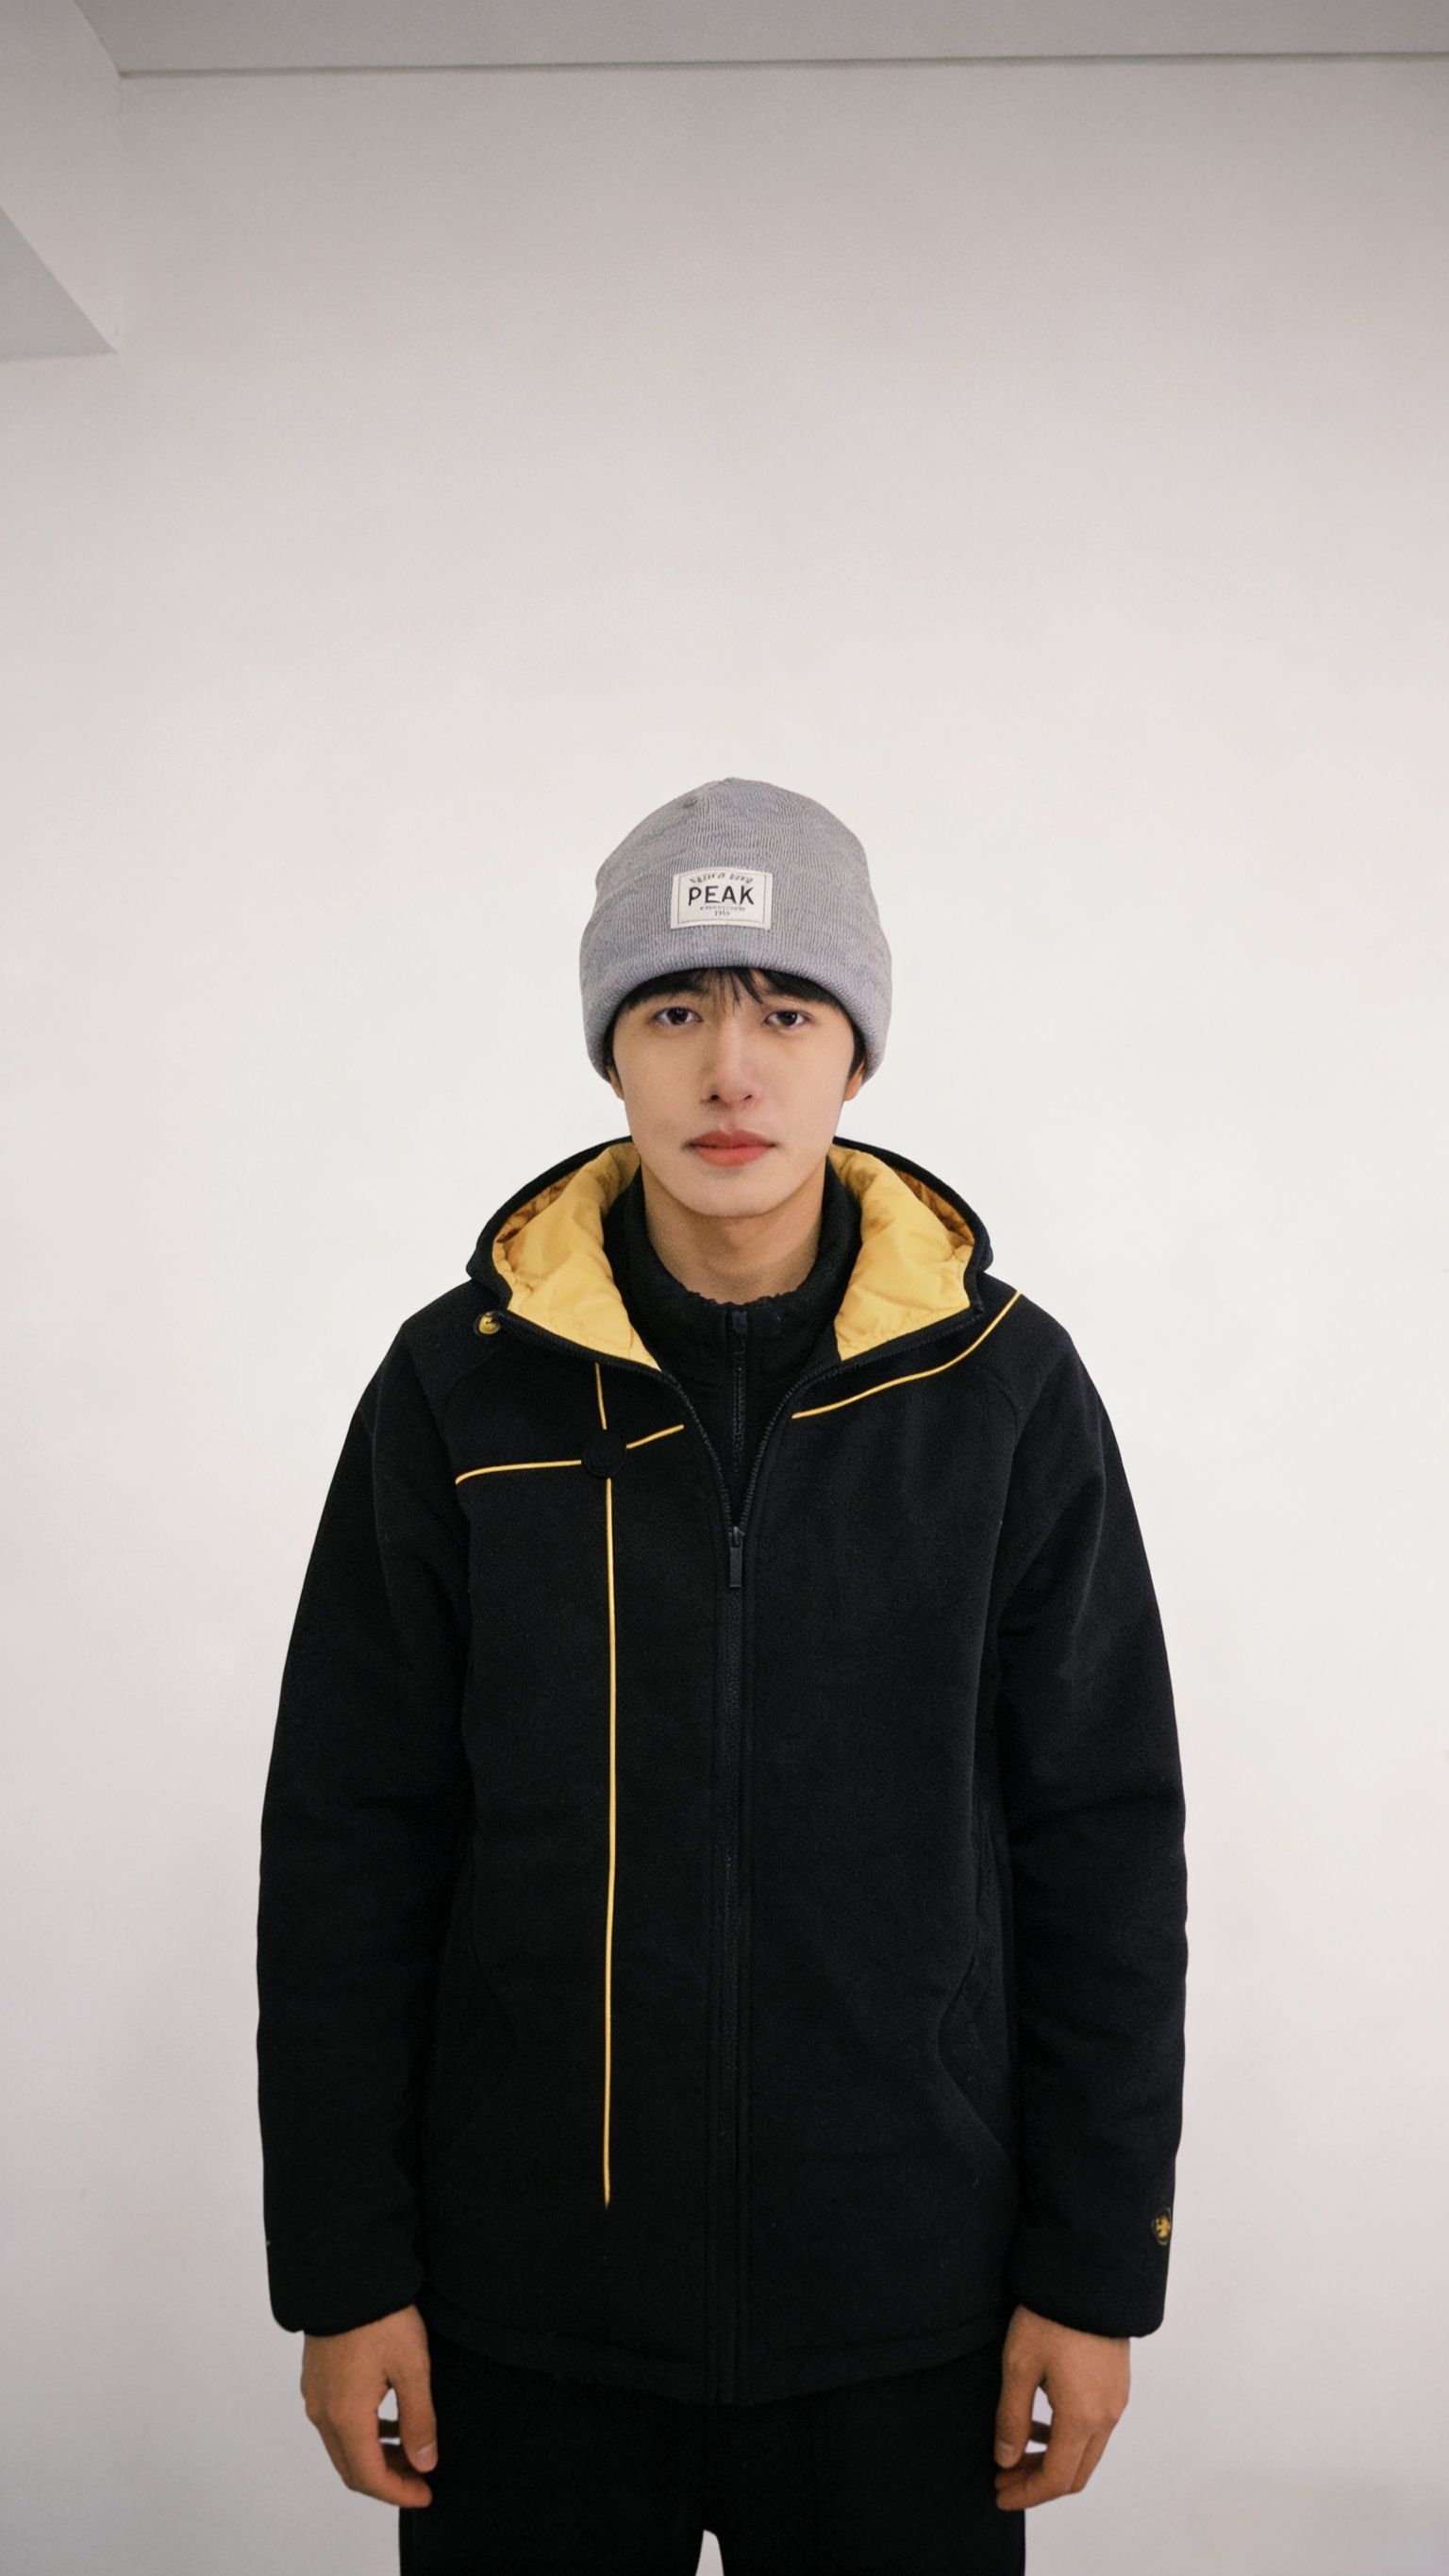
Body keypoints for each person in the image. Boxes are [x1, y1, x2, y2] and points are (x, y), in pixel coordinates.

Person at [256, 776, 1189, 2573]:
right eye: (676, 1009)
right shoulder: (458, 1388)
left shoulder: (1004, 1396)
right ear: (613, 1049)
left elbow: (1103, 1844)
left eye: (788, 1010)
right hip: (524, 2322)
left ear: (859, 1054)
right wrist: (346, 2269)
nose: (732, 1070)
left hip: (908, 2320)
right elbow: (349, 1844)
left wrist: (1094, 2272)